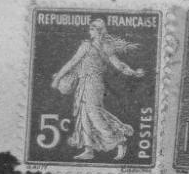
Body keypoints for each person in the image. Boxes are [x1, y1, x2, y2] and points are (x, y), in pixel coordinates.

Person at [51, 19, 145, 161]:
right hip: (91, 84)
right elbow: (120, 66)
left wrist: (57, 79)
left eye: (92, 29)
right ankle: (89, 150)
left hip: (90, 84)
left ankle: (119, 140)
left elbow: (72, 62)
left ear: (98, 31)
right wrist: (134, 72)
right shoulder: (106, 47)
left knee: (94, 115)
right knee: (85, 116)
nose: (89, 31)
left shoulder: (87, 46)